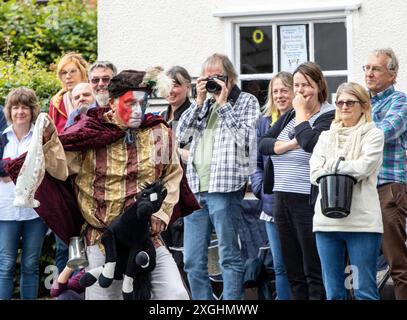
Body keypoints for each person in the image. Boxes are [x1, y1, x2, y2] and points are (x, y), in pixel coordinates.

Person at [45, 68, 189, 300]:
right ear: (112, 103)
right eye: (130, 103)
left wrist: (161, 214)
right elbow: (59, 170)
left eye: (143, 103)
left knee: (176, 295)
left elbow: (172, 175)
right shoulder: (89, 132)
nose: (137, 110)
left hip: (147, 237)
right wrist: (48, 142)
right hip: (103, 242)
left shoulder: (158, 132)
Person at [176, 53, 260, 300]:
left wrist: (224, 105)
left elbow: (246, 140)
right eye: (207, 78)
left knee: (229, 255)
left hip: (224, 189)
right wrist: (199, 100)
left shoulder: (246, 101)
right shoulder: (203, 104)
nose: (213, 82)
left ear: (231, 78)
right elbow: (181, 136)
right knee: (192, 260)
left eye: (218, 77)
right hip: (196, 187)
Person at [259, 62, 335, 300]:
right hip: (282, 197)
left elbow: (312, 143)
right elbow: (264, 144)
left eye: (307, 85)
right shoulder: (289, 115)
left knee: (312, 267)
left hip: (308, 199)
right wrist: (291, 145)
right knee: (292, 269)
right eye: (298, 85)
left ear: (319, 86)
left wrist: (301, 114)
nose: (301, 91)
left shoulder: (328, 114)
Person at [310, 82, 385, 300]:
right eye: (340, 102)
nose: (344, 106)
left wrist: (331, 166)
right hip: (326, 223)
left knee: (364, 292)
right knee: (333, 293)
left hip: (362, 224)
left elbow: (364, 167)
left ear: (363, 106)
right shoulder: (325, 137)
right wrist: (344, 165)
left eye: (350, 102)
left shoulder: (373, 135)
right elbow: (314, 173)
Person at [0, 87, 60, 299]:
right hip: (6, 210)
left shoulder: (41, 137)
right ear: (9, 110)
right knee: (5, 265)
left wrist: (7, 168)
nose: (20, 112)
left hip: (36, 212)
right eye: (15, 107)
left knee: (30, 265)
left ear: (32, 110)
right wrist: (8, 168)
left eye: (25, 107)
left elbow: (49, 168)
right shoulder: (2, 138)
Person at [364, 48, 407, 300]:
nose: (369, 73)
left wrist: (355, 127)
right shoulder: (361, 102)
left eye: (376, 68)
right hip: (361, 191)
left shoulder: (400, 101)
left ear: (392, 75)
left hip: (388, 188)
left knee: (398, 265)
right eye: (367, 68)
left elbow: (385, 132)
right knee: (362, 264)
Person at [251, 72, 293, 300]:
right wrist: (260, 188)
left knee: (303, 264)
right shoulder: (264, 122)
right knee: (280, 267)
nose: (279, 95)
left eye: (284, 90)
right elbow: (255, 162)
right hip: (271, 206)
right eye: (275, 91)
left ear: (294, 92)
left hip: (298, 204)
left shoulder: (302, 120)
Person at [49, 52, 89, 133]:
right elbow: (51, 137)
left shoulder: (94, 97)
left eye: (73, 71)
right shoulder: (56, 103)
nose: (68, 76)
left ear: (83, 72)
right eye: (64, 73)